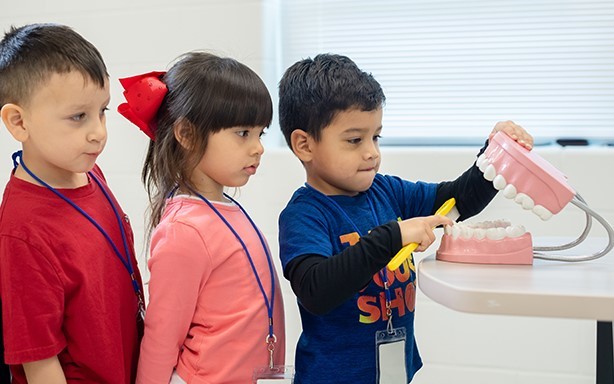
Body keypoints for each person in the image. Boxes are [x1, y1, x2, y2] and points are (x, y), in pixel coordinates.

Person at [277, 53, 534, 384]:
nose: (372, 152)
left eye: (376, 136)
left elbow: (457, 200)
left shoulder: (388, 191)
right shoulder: (305, 215)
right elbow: (316, 290)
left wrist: (495, 157)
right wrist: (392, 237)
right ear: (304, 145)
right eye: (355, 140)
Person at [117, 51, 286, 384]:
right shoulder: (184, 230)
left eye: (260, 134)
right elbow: (161, 339)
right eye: (242, 133)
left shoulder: (222, 207)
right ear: (187, 134)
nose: (258, 147)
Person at [0, 23, 144, 384]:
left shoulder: (89, 173)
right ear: (18, 122)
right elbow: (40, 362)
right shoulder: (22, 233)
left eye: (102, 111)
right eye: (78, 116)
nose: (98, 132)